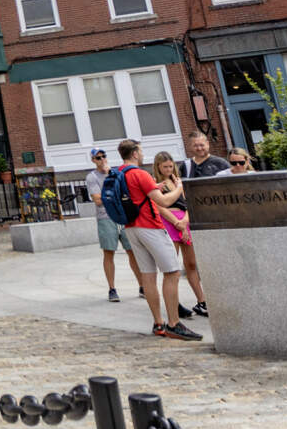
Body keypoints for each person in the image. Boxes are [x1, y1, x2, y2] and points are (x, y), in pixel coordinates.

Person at [114, 139, 200, 340]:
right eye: (140, 151)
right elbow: (163, 201)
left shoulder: (119, 173)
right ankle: (174, 323)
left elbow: (138, 194)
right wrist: (179, 188)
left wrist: (154, 186)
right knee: (172, 272)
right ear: (135, 153)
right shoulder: (139, 173)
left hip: (131, 227)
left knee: (148, 275)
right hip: (150, 226)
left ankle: (158, 323)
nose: (142, 154)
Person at [150, 152, 206, 318]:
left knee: (191, 263)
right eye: (165, 166)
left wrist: (185, 222)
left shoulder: (177, 181)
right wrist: (176, 223)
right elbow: (159, 207)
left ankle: (201, 301)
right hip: (169, 221)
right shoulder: (155, 183)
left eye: (170, 166)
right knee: (171, 266)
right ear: (158, 166)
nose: (168, 169)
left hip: (184, 221)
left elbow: (188, 203)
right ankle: (175, 303)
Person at [85, 148, 140, 302]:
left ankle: (142, 285)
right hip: (106, 217)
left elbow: (125, 192)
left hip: (122, 216)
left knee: (132, 251)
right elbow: (98, 200)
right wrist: (112, 193)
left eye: (104, 156)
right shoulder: (92, 177)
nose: (102, 160)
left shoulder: (115, 173)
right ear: (93, 160)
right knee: (109, 252)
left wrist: (111, 188)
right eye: (98, 158)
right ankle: (112, 288)